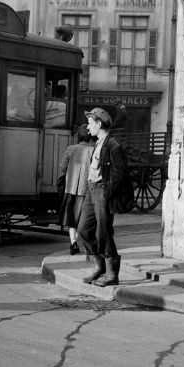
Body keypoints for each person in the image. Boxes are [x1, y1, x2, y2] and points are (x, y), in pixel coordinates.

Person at [77, 107, 130, 287]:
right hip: (92, 192)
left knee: (104, 233)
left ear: (99, 124)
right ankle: (99, 266)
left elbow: (119, 174)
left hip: (102, 192)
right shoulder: (97, 143)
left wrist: (106, 194)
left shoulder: (113, 146)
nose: (88, 127)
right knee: (83, 230)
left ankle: (112, 274)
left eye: (91, 124)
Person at [57, 124, 95, 254]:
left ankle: (73, 242)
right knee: (82, 219)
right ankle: (81, 242)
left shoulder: (70, 149)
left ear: (78, 137)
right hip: (86, 191)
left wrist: (63, 180)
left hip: (71, 189)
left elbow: (62, 168)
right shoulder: (93, 150)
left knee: (71, 218)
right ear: (90, 137)